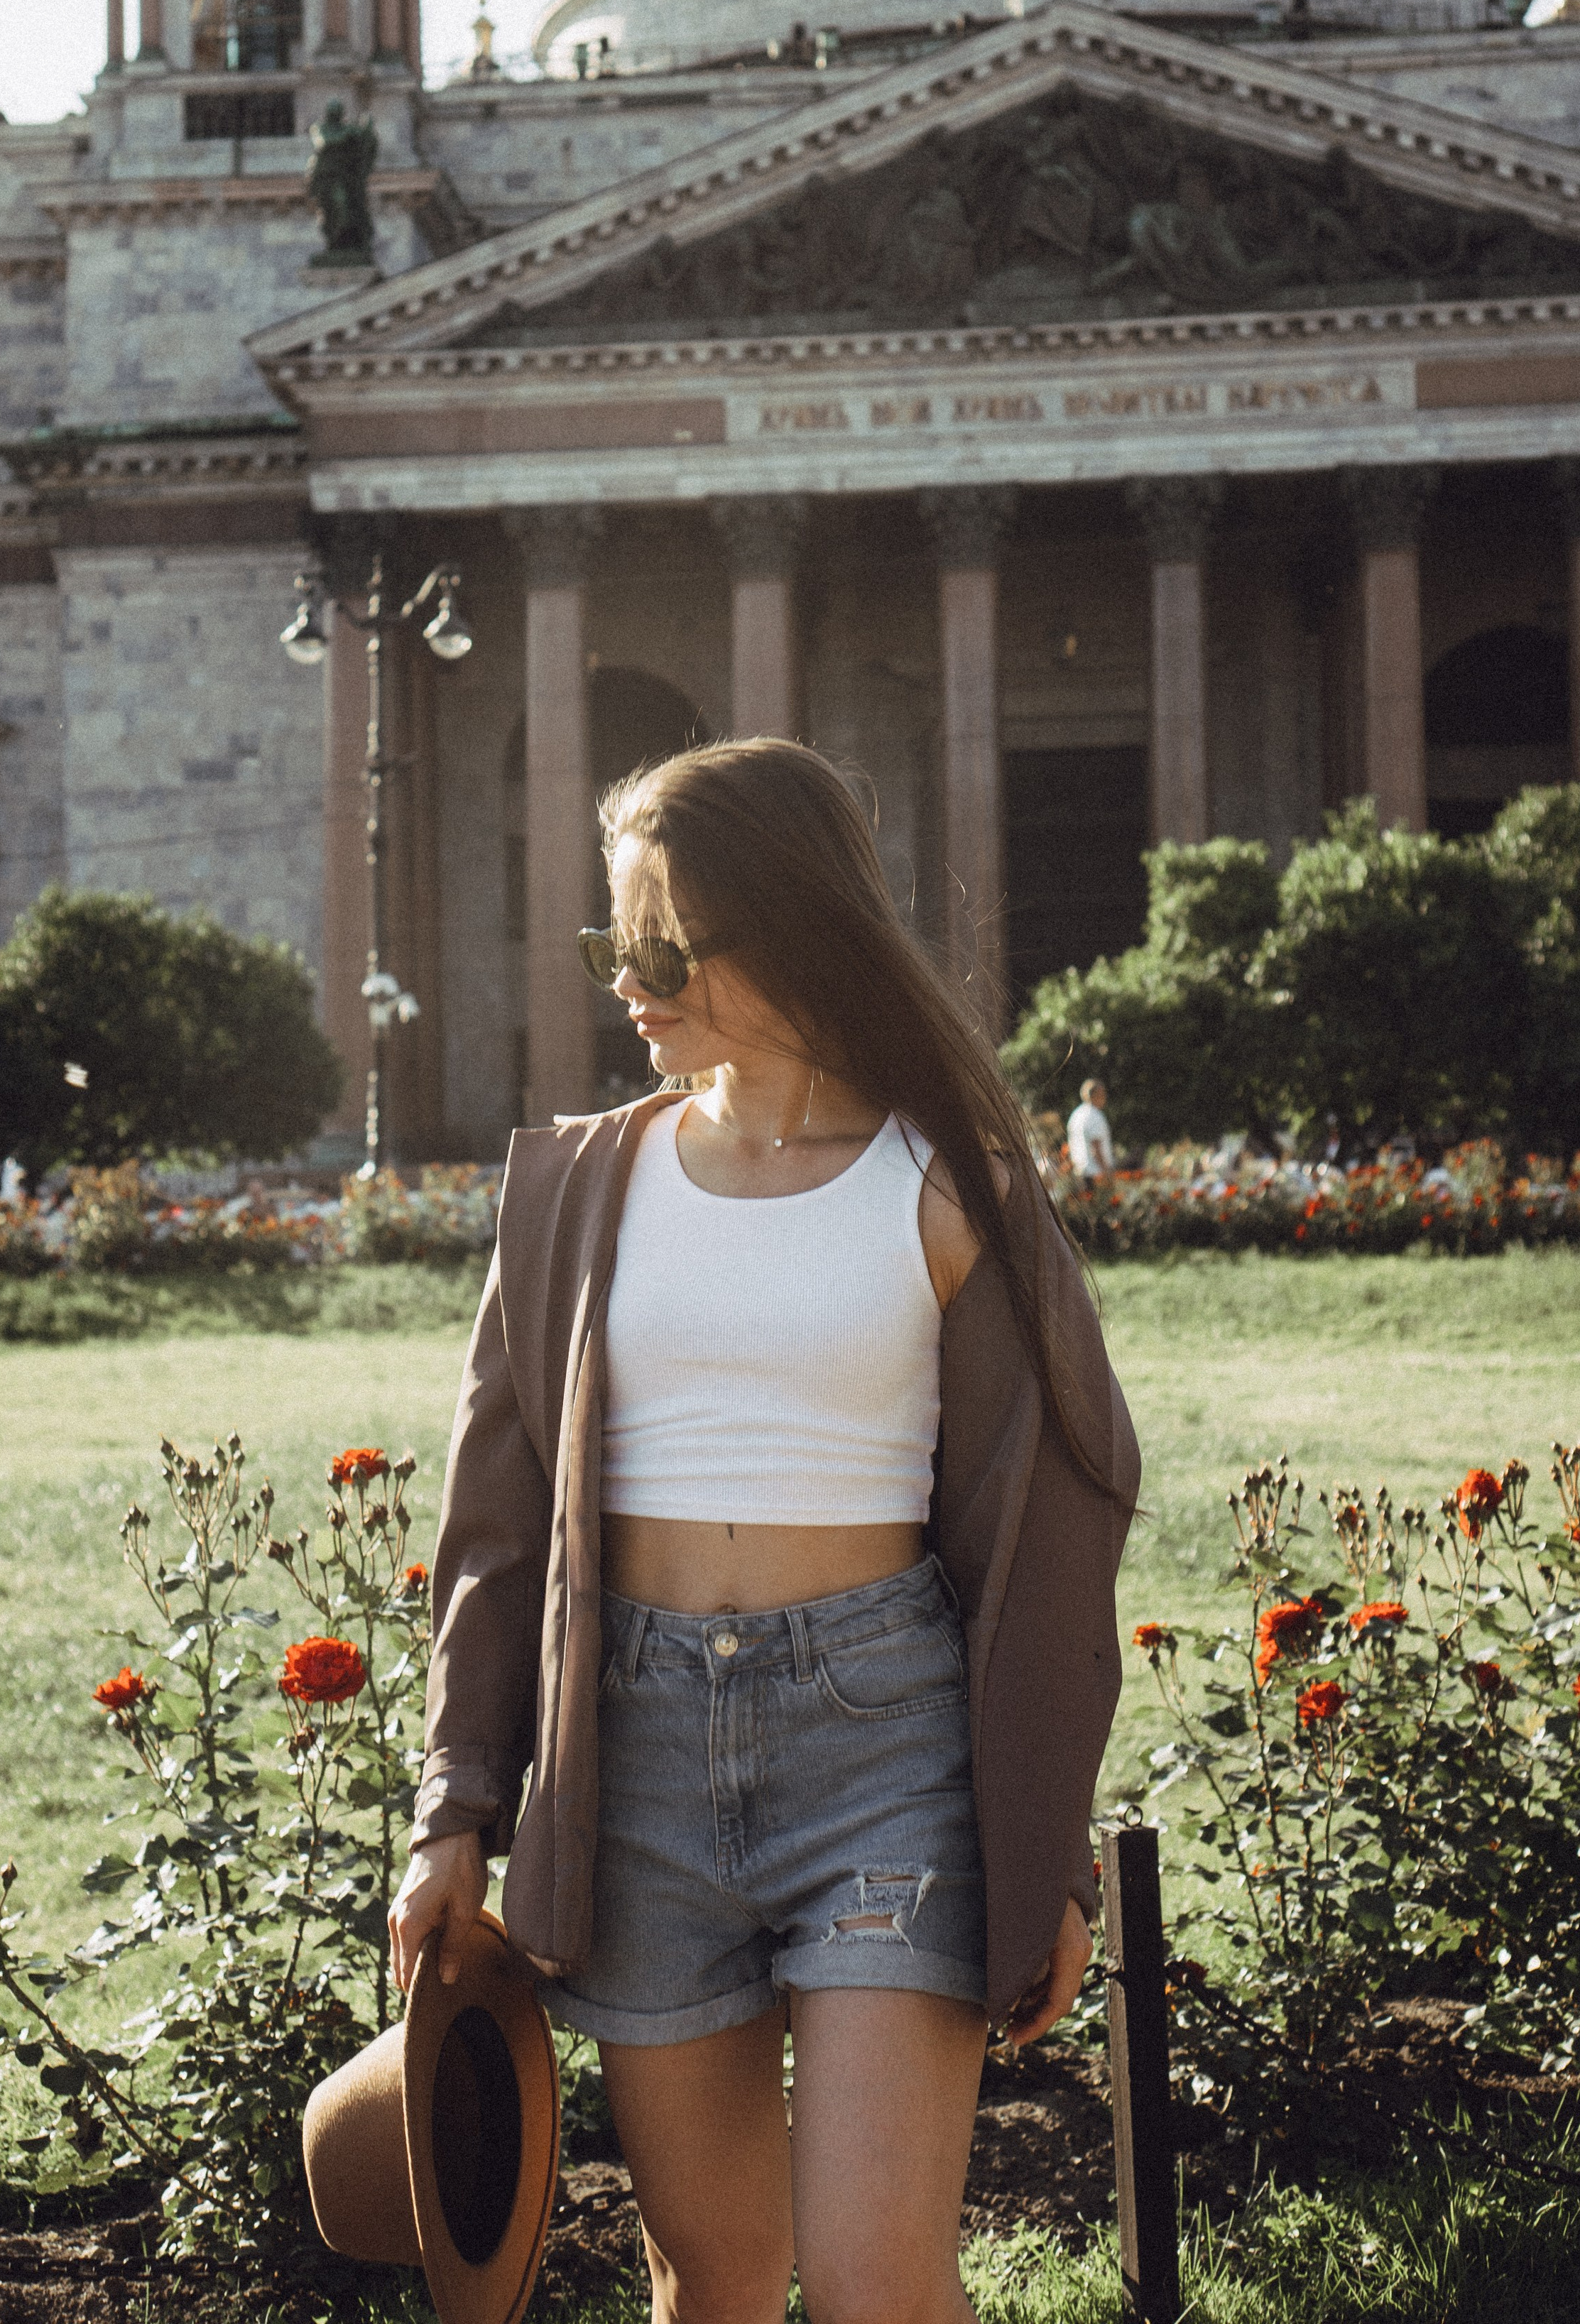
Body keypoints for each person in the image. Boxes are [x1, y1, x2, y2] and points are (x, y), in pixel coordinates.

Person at [391, 741, 1139, 2324]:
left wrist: (1049, 1855)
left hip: (883, 1751)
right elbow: (492, 1531)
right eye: (613, 948)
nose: (628, 990)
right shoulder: (575, 1189)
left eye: (662, 953)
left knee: (875, 2283)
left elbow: (1046, 1536)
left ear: (793, 929)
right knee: (714, 2275)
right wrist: (454, 1803)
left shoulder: (951, 1185)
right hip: (635, 1763)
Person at [1066, 1079, 1116, 1182]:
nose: (1105, 1098)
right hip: (1096, 1174)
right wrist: (1107, 1172)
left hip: (1079, 1172)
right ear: (1095, 1095)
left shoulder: (1076, 1115)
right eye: (1102, 1094)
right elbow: (1096, 1147)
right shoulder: (1095, 1115)